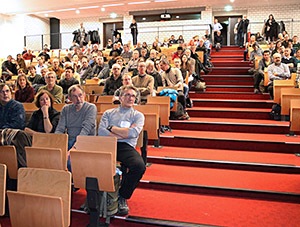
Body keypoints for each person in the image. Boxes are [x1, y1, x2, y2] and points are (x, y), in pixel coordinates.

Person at [98, 85, 146, 215]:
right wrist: (123, 133)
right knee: (89, 161)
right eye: (127, 95)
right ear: (120, 97)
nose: (130, 98)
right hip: (106, 143)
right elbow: (101, 132)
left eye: (133, 96)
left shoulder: (138, 115)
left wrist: (111, 127)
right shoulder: (109, 113)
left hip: (125, 146)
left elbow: (133, 133)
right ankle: (93, 198)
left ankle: (123, 196)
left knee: (139, 166)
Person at [55, 84, 97, 170]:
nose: (78, 99)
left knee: (70, 162)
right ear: (69, 98)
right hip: (69, 140)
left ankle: (74, 181)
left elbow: (86, 130)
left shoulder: (91, 108)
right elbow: (60, 129)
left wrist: (74, 148)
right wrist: (57, 144)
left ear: (84, 95)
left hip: (86, 141)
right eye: (74, 96)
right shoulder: (66, 109)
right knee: (53, 159)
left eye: (80, 95)